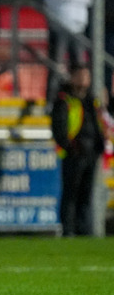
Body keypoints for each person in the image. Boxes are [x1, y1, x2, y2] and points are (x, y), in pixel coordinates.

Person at [51, 66, 106, 236]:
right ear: (72, 77)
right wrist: (69, 147)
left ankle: (85, 230)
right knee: (71, 193)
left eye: (87, 76)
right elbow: (58, 127)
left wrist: (100, 145)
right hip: (74, 153)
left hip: (91, 153)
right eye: (81, 75)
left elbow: (99, 124)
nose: (84, 80)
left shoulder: (91, 100)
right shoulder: (64, 99)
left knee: (86, 194)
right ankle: (68, 230)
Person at [43, 0, 94, 109]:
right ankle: (51, 102)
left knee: (79, 66)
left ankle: (79, 100)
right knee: (56, 65)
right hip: (60, 27)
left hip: (77, 28)